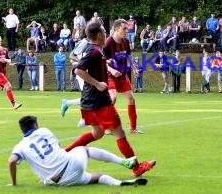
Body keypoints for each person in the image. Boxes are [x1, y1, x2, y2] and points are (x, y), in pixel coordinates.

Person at [64, 21, 155, 177]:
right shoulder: (94, 51)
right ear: (99, 35)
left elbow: (84, 66)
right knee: (119, 133)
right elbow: (79, 70)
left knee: (97, 133)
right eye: (104, 32)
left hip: (89, 100)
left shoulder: (95, 50)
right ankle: (137, 168)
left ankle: (62, 155)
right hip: (99, 101)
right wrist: (98, 83)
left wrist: (105, 67)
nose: (106, 34)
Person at [8, 116, 147, 187]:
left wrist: (14, 183)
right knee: (83, 149)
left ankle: (120, 183)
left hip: (58, 182)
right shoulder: (44, 131)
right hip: (71, 166)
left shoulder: (20, 146)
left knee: (96, 177)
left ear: (22, 130)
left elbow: (12, 161)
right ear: (35, 125)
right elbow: (58, 146)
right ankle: (123, 163)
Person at [103, 19, 143, 133]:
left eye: (127, 28)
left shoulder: (125, 42)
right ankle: (107, 126)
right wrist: (111, 70)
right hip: (110, 76)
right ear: (116, 29)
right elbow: (102, 62)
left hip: (122, 76)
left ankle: (133, 129)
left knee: (131, 99)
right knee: (113, 97)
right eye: (124, 28)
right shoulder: (108, 43)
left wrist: (134, 68)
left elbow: (128, 57)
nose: (127, 30)